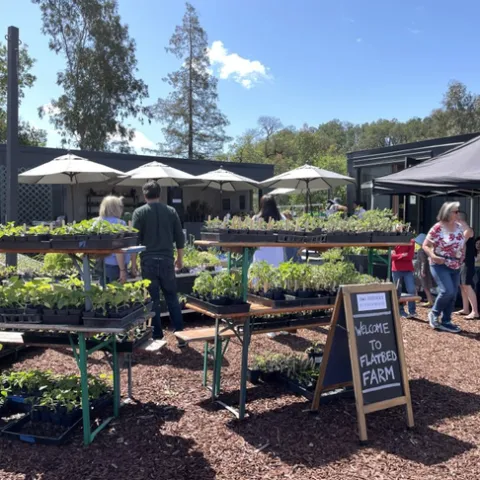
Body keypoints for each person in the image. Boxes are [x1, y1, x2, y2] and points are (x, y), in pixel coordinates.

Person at [132, 181, 185, 344]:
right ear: (160, 194)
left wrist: (133, 264)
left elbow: (134, 240)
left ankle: (157, 336)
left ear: (144, 195)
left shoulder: (139, 213)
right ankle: (181, 335)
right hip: (167, 259)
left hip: (148, 260)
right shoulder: (171, 211)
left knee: (152, 299)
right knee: (171, 297)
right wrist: (180, 258)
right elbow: (179, 237)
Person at [423, 201, 472, 333]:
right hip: (440, 263)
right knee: (447, 291)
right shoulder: (437, 228)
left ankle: (446, 321)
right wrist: (433, 256)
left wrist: (464, 224)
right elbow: (425, 245)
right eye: (455, 212)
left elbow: (470, 234)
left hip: (456, 264)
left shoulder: (459, 227)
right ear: (447, 213)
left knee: (453, 294)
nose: (458, 214)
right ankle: (434, 313)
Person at [252, 195, 288, 338]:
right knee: (279, 293)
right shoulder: (282, 219)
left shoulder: (256, 219)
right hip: (277, 256)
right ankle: (282, 324)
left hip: (262, 255)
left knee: (264, 293)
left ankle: (269, 326)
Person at [98, 195, 130, 285]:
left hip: (101, 264)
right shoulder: (120, 223)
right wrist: (122, 270)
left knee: (104, 295)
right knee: (117, 295)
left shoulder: (97, 222)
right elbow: (118, 249)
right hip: (116, 265)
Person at [455, 212, 479, 319]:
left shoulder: (468, 230)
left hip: (468, 262)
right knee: (462, 285)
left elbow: (459, 245)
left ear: (460, 219)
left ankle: (475, 312)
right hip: (462, 262)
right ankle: (466, 309)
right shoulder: (461, 231)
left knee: (467, 286)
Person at [391, 235, 416, 318]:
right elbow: (392, 257)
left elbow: (410, 256)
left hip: (408, 269)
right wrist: (402, 255)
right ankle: (400, 311)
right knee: (397, 291)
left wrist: (398, 256)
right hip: (396, 269)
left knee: (411, 289)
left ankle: (412, 311)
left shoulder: (411, 241)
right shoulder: (394, 241)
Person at [414, 233, 435, 307]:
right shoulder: (428, 249)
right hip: (428, 269)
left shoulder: (421, 250)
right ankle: (431, 299)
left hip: (423, 270)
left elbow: (423, 261)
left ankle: (430, 301)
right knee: (427, 286)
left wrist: (422, 270)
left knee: (425, 286)